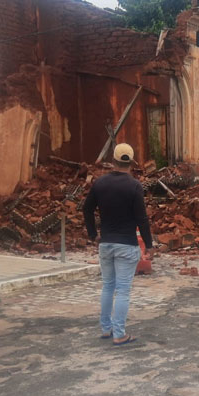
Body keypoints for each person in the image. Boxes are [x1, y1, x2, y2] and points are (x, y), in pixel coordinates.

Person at [83, 143, 153, 346]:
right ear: (131, 163)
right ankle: (119, 333)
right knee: (122, 290)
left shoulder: (100, 184)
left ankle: (106, 329)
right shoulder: (134, 186)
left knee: (107, 286)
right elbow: (142, 218)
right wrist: (148, 244)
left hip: (106, 244)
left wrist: (92, 234)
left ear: (113, 160)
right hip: (127, 244)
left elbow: (87, 209)